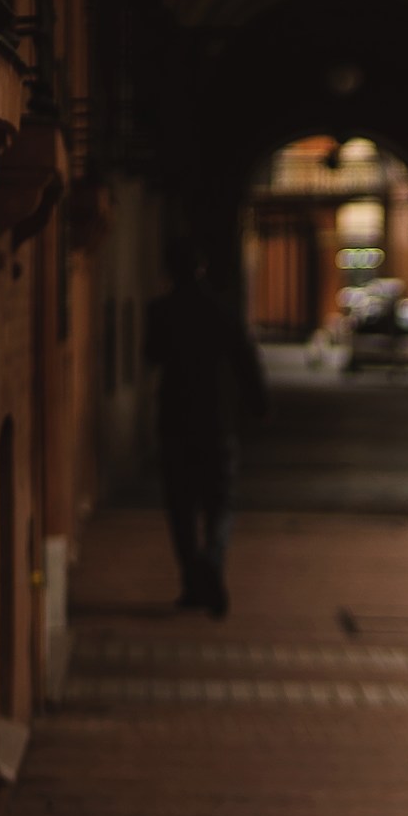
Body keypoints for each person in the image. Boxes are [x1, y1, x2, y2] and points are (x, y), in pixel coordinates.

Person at [145, 240, 268, 617]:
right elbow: (246, 359)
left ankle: (191, 583)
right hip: (217, 420)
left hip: (175, 421)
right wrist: (258, 403)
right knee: (221, 501)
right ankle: (212, 558)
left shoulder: (161, 311)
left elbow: (150, 356)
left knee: (181, 506)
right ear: (201, 267)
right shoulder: (223, 310)